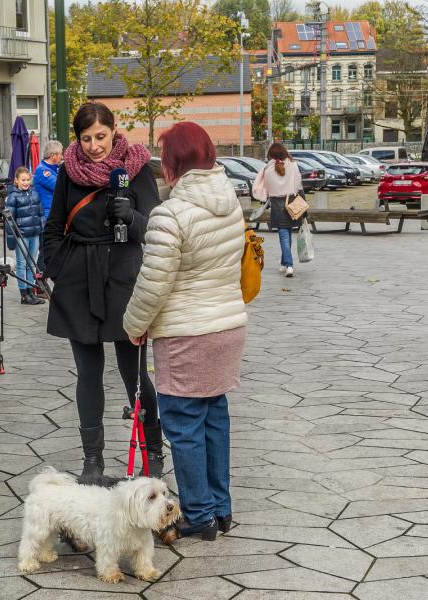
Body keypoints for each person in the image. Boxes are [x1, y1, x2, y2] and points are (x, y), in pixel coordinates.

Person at [123, 122, 247, 540]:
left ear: (173, 164)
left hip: (186, 333)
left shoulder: (170, 214)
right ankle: (221, 508)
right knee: (215, 417)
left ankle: (197, 514)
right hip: (227, 327)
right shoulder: (230, 201)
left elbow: (153, 282)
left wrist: (134, 325)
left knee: (184, 424)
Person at [42, 102, 163, 485]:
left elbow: (157, 228)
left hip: (124, 279)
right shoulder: (68, 171)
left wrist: (131, 216)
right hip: (79, 281)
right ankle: (92, 460)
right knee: (87, 374)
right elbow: (53, 226)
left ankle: (153, 451)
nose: (94, 146)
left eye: (101, 136)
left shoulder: (137, 168)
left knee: (135, 374)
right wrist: (59, 266)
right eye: (86, 138)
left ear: (114, 131)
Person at [252, 142, 304, 277]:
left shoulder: (267, 170)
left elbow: (265, 188)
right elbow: (298, 183)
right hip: (291, 201)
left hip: (277, 203)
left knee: (283, 233)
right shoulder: (293, 165)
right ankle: (284, 262)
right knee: (288, 231)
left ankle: (289, 264)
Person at [6, 167, 45, 305]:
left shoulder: (34, 194)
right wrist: (12, 239)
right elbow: (9, 220)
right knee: (22, 264)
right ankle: (24, 294)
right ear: (16, 180)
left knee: (31, 263)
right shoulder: (13, 197)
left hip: (34, 234)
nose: (26, 182)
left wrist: (41, 228)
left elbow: (40, 213)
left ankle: (31, 291)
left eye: (28, 179)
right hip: (22, 236)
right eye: (23, 180)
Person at [33, 140, 63, 277]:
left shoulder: (53, 169)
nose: (61, 157)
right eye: (60, 154)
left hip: (52, 214)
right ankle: (40, 283)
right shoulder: (42, 171)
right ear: (53, 155)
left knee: (51, 248)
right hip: (46, 215)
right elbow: (58, 186)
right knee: (45, 250)